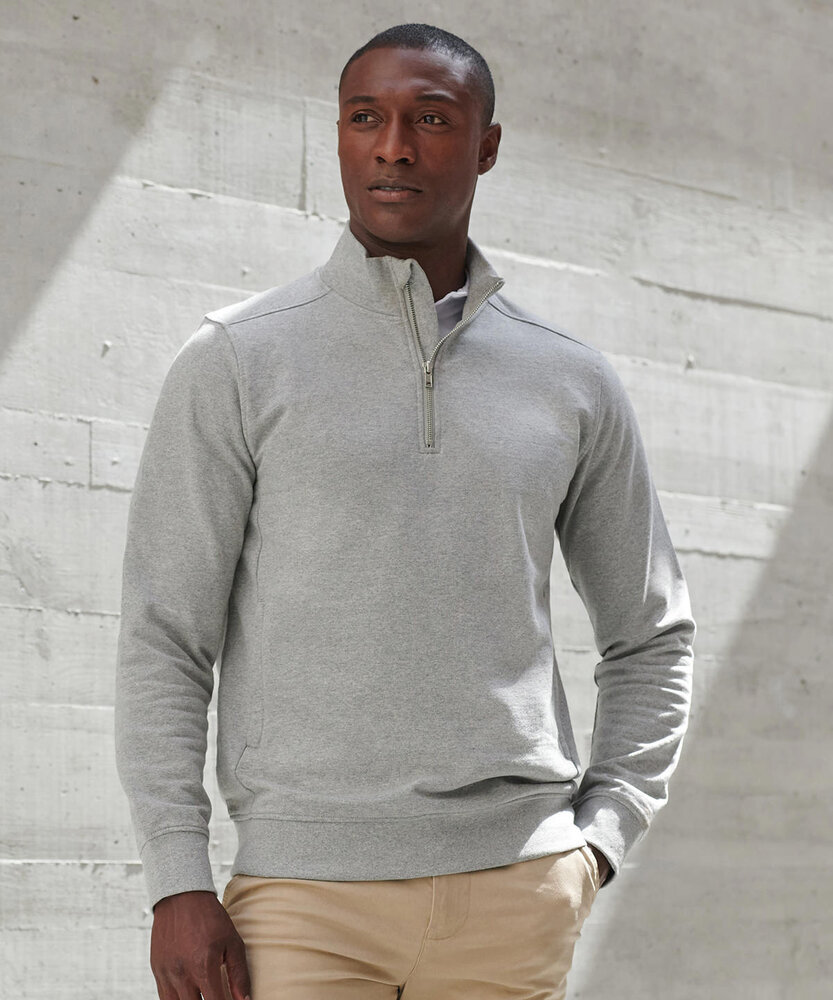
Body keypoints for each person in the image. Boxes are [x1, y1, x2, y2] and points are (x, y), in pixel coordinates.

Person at [115, 22, 695, 1000]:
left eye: (429, 119)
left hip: (516, 893)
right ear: (339, 137)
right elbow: (165, 635)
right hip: (303, 896)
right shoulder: (237, 359)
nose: (392, 147)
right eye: (363, 118)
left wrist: (597, 839)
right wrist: (177, 876)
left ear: (485, 146)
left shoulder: (569, 380)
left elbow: (651, 632)